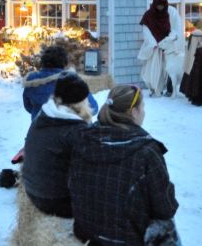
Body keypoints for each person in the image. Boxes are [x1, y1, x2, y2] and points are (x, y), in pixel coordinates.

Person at [69, 85, 180, 246]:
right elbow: (166, 208)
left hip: (87, 234)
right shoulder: (147, 152)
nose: (144, 112)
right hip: (128, 240)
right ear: (134, 112)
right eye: (143, 107)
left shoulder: (82, 139)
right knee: (168, 228)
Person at [22, 72, 93, 218]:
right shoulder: (76, 131)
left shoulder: (44, 115)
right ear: (80, 103)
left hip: (32, 191)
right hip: (56, 202)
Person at [22, 46, 98, 120]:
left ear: (43, 62)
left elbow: (28, 106)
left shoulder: (31, 80)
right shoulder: (72, 80)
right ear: (64, 62)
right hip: (70, 129)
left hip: (39, 128)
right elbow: (93, 108)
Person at [137, 0, 184, 97]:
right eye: (158, 6)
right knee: (153, 70)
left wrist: (168, 41)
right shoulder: (149, 15)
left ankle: (168, 89)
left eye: (162, 6)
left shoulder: (171, 13)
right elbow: (146, 30)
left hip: (167, 47)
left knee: (167, 69)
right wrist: (153, 43)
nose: (160, 8)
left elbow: (176, 29)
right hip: (155, 47)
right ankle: (155, 90)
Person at [180, 30, 202, 106]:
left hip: (193, 72)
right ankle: (198, 98)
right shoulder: (200, 49)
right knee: (198, 83)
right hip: (200, 73)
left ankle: (194, 97)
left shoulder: (191, 47)